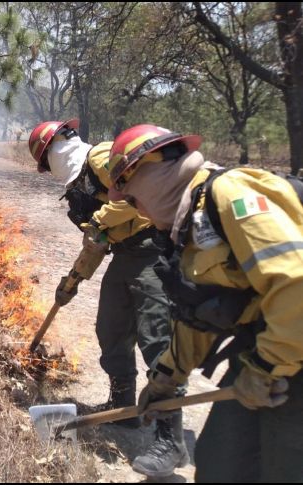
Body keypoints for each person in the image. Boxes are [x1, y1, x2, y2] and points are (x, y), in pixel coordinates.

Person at [108, 123, 303, 482]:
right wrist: (165, 379)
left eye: (134, 200)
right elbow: (200, 314)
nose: (141, 213)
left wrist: (266, 369)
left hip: (289, 347)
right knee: (218, 461)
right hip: (271, 343)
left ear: (150, 175)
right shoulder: (191, 224)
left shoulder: (231, 192)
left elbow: (295, 282)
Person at [28, 120, 187, 477]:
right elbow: (98, 242)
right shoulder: (77, 190)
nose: (50, 165)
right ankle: (122, 402)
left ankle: (169, 437)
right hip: (125, 254)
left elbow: (136, 199)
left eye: (46, 159)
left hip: (153, 250)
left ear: (54, 149)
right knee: (110, 327)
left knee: (156, 338)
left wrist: (100, 220)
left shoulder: (100, 157)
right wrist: (73, 281)